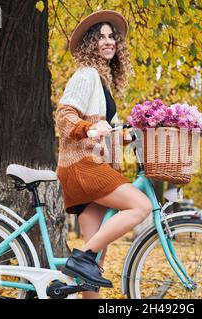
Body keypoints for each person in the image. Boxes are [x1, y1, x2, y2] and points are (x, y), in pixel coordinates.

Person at [55, 10, 152, 298]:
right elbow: (64, 116)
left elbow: (106, 131)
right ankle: (79, 257)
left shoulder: (102, 83)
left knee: (93, 270)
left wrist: (129, 135)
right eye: (101, 37)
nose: (108, 41)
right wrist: (87, 129)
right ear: (90, 43)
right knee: (141, 206)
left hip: (89, 165)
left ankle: (83, 261)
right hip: (82, 166)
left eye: (112, 37)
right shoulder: (85, 75)